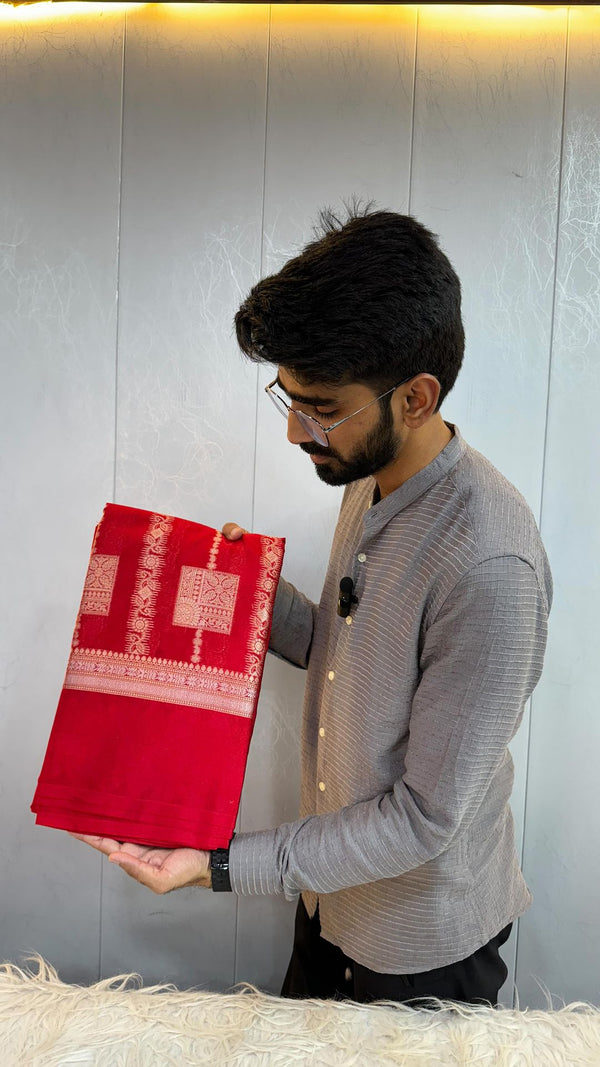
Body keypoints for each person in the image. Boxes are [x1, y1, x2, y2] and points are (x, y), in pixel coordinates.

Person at [77, 199, 552, 1007]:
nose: (297, 431)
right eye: (288, 397)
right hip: (327, 904)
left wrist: (219, 864)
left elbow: (421, 820)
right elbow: (351, 652)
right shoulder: (368, 475)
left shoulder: (491, 565)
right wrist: (253, 595)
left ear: (416, 397)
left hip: (419, 942)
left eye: (323, 407)